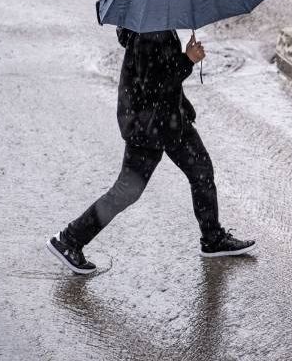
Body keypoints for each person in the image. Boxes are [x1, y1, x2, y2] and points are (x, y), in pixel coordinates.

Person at [47, 27, 255, 274]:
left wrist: (182, 103)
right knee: (127, 191)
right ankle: (70, 240)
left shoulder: (158, 26)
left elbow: (162, 74)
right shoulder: (148, 33)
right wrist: (187, 60)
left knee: (201, 171)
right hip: (147, 126)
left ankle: (212, 238)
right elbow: (153, 87)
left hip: (170, 120)